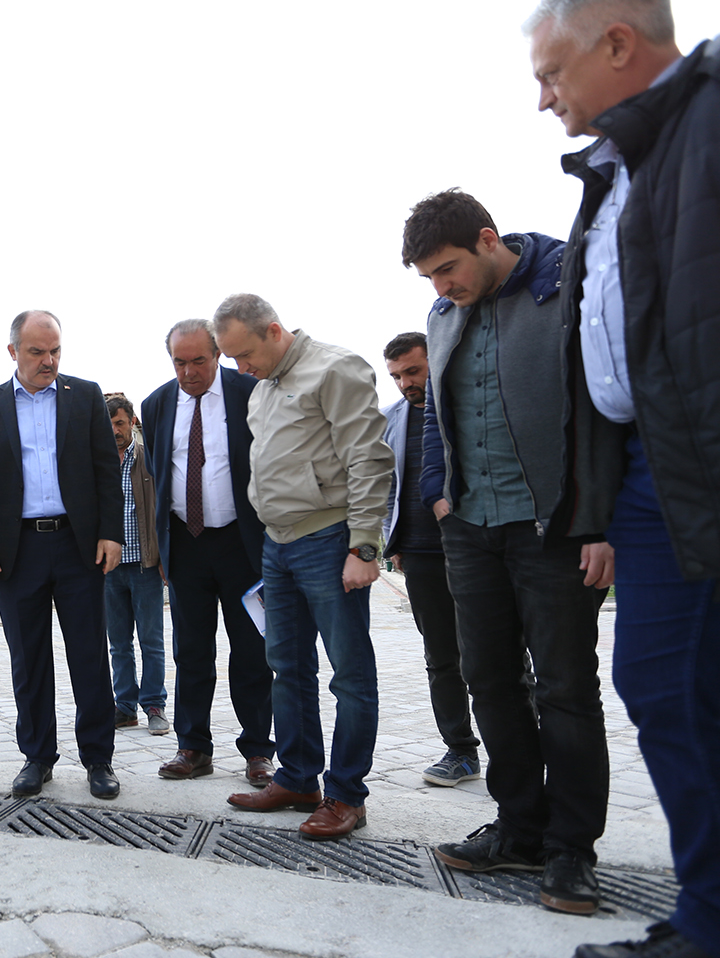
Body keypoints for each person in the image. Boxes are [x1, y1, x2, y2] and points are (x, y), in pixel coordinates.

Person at [526, 0, 720, 952]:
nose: (543, 98)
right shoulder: (610, 178)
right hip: (655, 474)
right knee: (664, 687)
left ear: (618, 44)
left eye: (552, 73)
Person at [402, 189, 617, 916]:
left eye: (448, 269)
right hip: (470, 528)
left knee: (565, 688)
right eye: (429, 277)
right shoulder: (443, 316)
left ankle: (571, 850)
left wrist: (601, 520)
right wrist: (438, 493)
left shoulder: (567, 282)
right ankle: (520, 828)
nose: (441, 287)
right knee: (489, 680)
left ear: (489, 240)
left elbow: (601, 405)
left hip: (554, 528)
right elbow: (436, 415)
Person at [214, 295, 389, 841]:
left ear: (273, 330)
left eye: (245, 354)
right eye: (232, 359)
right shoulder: (263, 389)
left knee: (349, 673)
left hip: (328, 539)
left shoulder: (335, 369)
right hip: (279, 544)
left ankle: (346, 795)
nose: (241, 367)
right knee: (286, 667)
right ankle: (297, 778)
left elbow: (368, 458)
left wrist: (365, 547)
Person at [0, 310, 124, 801]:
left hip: (78, 546)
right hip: (17, 550)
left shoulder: (85, 396)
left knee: (89, 655)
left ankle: (98, 758)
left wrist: (111, 533)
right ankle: (37, 757)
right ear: (13, 351)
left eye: (55, 351)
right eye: (37, 352)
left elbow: (105, 470)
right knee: (28, 658)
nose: (48, 361)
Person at [140, 320, 274, 788]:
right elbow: (159, 475)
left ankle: (258, 750)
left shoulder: (250, 392)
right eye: (179, 362)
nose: (189, 372)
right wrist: (163, 549)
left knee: (252, 651)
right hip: (186, 545)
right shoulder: (157, 404)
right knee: (191, 651)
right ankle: (193, 746)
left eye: (199, 361)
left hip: (243, 545)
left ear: (218, 355)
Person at [381, 332, 481, 789]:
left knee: (498, 653)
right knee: (440, 658)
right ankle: (460, 751)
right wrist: (394, 541)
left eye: (413, 371)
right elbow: (386, 484)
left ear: (433, 364)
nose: (406, 383)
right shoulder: (390, 419)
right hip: (420, 554)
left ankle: (525, 746)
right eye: (397, 376)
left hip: (477, 549)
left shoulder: (466, 405)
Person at [102, 395, 168, 736]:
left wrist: (164, 557)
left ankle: (154, 705)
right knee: (118, 643)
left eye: (120, 423)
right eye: (109, 424)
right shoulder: (96, 463)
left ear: (132, 423)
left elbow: (164, 508)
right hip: (109, 568)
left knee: (151, 641)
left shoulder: (148, 458)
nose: (115, 430)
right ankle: (125, 707)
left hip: (145, 565)